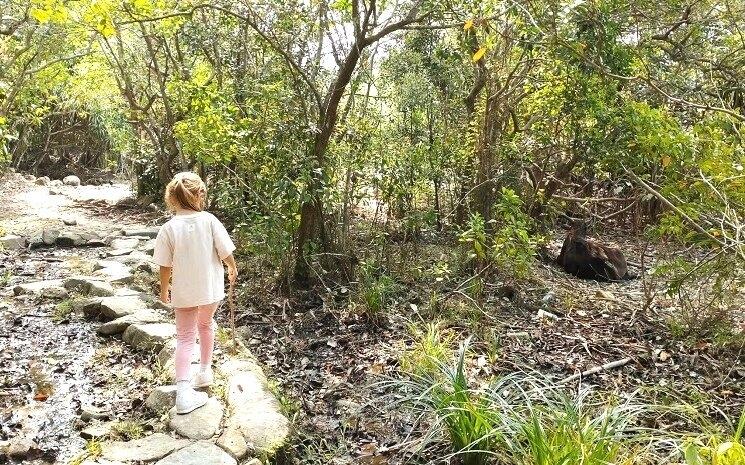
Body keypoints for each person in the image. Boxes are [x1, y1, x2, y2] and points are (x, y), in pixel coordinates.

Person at [153, 172, 238, 414]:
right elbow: (225, 251)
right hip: (210, 288)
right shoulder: (209, 220)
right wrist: (232, 267)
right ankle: (204, 372)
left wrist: (164, 289)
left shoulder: (169, 228)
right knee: (206, 324)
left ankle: (183, 392)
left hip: (184, 291)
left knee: (185, 336)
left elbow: (165, 264)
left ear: (172, 199)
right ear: (198, 196)